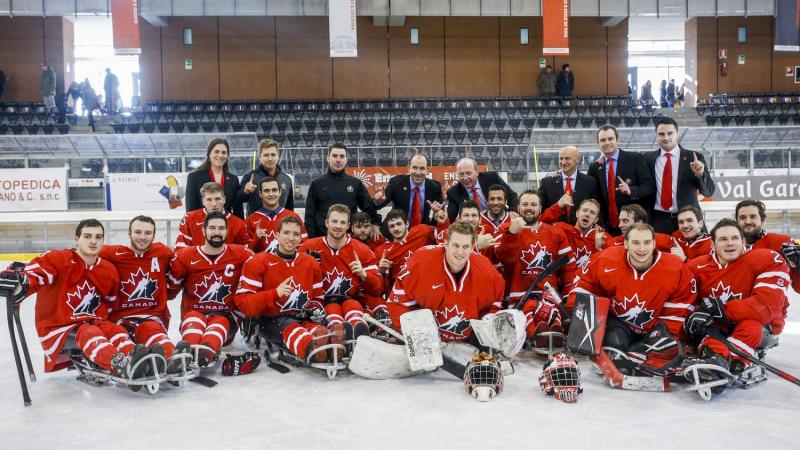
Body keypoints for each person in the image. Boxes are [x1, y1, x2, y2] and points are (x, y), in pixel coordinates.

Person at [0, 219, 150, 380]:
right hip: (60, 325)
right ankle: (119, 364)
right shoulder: (58, 258)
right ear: (77, 239)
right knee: (89, 332)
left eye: (98, 237)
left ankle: (139, 360)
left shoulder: (108, 270)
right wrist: (23, 282)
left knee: (116, 330)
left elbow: (110, 304)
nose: (93, 241)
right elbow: (36, 275)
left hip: (92, 321)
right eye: (87, 236)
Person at [569, 223, 696, 375]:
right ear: (626, 244)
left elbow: (683, 301)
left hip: (655, 327)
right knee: (616, 341)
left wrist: (667, 333)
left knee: (663, 347)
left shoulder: (675, 267)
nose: (642, 249)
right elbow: (585, 282)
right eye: (636, 243)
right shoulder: (607, 258)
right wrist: (579, 313)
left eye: (647, 242)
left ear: (654, 243)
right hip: (619, 323)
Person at [685, 219, 790, 389]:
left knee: (751, 326)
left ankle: (729, 362)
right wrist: (696, 313)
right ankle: (715, 359)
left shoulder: (766, 259)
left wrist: (723, 311)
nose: (730, 243)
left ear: (743, 241)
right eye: (723, 239)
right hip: (718, 326)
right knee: (708, 328)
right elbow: (685, 301)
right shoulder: (696, 266)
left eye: (734, 238)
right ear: (712, 244)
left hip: (761, 327)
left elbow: (766, 308)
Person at [235, 216, 339, 364]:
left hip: (303, 317)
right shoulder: (257, 262)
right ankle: (313, 350)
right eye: (286, 233)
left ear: (300, 238)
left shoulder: (310, 263)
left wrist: (315, 307)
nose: (291, 238)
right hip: (271, 320)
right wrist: (274, 293)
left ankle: (331, 346)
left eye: (296, 234)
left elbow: (317, 297)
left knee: (319, 331)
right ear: (277, 235)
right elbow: (245, 304)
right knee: (295, 331)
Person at [99, 216, 191, 374]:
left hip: (153, 315)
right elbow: (83, 252)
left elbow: (186, 258)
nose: (142, 237)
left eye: (148, 233)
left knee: (153, 330)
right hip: (122, 318)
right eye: (138, 232)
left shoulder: (162, 252)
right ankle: (136, 362)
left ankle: (173, 358)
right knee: (129, 335)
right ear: (129, 234)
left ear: (154, 236)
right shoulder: (113, 253)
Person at [386, 221, 505, 343]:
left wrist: (486, 322)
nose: (460, 252)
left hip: (466, 342)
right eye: (455, 245)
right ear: (446, 244)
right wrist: (414, 333)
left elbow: (495, 300)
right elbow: (398, 302)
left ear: (472, 246)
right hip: (425, 339)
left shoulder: (486, 270)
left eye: (465, 247)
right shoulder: (421, 262)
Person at [167, 212, 253, 366]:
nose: (217, 232)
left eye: (221, 228)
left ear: (227, 231)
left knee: (217, 327)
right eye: (212, 228)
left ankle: (203, 354)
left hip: (225, 315)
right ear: (203, 231)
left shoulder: (241, 254)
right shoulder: (186, 255)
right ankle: (184, 357)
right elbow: (170, 290)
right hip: (194, 313)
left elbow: (261, 270)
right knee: (194, 323)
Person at [300, 204, 384, 341]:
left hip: (353, 301)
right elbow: (296, 278)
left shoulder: (362, 250)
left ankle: (357, 330)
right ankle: (337, 330)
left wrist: (364, 275)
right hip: (322, 305)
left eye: (342, 222)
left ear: (348, 226)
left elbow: (378, 288)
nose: (338, 226)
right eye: (334, 221)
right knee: (333, 313)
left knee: (352, 307)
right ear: (326, 222)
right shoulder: (309, 247)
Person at [496, 191, 577, 332]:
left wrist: (568, 298)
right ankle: (536, 335)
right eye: (525, 204)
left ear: (540, 208)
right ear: (518, 208)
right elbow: (505, 261)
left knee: (553, 317)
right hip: (518, 298)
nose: (529, 208)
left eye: (533, 204)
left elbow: (568, 269)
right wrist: (511, 234)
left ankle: (552, 333)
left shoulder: (556, 233)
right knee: (528, 319)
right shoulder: (506, 230)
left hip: (549, 295)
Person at [643, 117, 715, 234]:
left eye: (670, 133)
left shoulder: (694, 157)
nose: (666, 138)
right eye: (661, 134)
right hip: (658, 221)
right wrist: (603, 158)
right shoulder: (647, 158)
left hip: (688, 220)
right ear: (656, 136)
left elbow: (709, 192)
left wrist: (700, 174)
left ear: (677, 133)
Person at [587, 124, 655, 234]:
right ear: (598, 143)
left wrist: (631, 191)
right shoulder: (595, 167)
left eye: (610, 138)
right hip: (607, 226)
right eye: (603, 140)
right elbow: (593, 196)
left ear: (617, 140)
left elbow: (650, 187)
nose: (607, 142)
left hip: (632, 225)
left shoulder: (635, 158)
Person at [305, 143, 381, 238]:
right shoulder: (317, 184)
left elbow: (368, 206)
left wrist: (375, 223)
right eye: (334, 156)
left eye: (342, 156)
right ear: (328, 158)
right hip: (323, 237)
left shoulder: (355, 183)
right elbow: (309, 215)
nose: (338, 160)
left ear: (346, 159)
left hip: (349, 237)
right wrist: (312, 239)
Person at [735, 199, 800, 293]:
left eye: (753, 217)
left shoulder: (781, 242)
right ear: (737, 222)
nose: (747, 221)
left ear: (763, 220)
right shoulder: (729, 246)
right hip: (737, 305)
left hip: (772, 305)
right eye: (742, 217)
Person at [374, 153, 444, 227]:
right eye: (415, 168)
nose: (418, 172)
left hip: (421, 230)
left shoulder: (435, 186)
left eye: (422, 168)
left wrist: (436, 214)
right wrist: (377, 202)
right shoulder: (396, 183)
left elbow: (440, 214)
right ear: (409, 168)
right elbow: (378, 205)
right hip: (394, 229)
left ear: (427, 170)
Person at [176, 182, 249, 249]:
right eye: (209, 200)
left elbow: (244, 254)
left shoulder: (239, 224)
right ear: (203, 201)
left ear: (224, 200)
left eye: (217, 199)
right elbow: (180, 250)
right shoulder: (189, 219)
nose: (214, 204)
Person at [538, 145, 599, 225]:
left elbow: (596, 209)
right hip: (554, 233)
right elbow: (539, 211)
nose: (563, 162)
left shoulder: (590, 182)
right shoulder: (547, 182)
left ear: (577, 159)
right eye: (561, 158)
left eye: (567, 158)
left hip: (580, 234)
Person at [538, 198, 604, 271]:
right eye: (585, 210)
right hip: (564, 278)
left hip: (587, 280)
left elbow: (607, 265)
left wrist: (599, 249)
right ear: (577, 213)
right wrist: (558, 207)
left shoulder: (603, 237)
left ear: (596, 220)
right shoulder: (562, 228)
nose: (587, 214)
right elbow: (537, 224)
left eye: (592, 213)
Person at [185, 138, 243, 218]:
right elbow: (191, 210)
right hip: (202, 226)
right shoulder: (194, 177)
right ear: (209, 154)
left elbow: (238, 209)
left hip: (227, 227)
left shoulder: (233, 179)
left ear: (227, 156)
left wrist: (241, 228)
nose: (220, 155)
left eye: (224, 152)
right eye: (216, 152)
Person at [446, 157, 518, 221]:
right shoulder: (453, 192)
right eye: (461, 174)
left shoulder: (492, 178)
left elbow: (512, 196)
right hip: (472, 224)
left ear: (476, 172)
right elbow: (451, 217)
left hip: (497, 219)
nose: (465, 178)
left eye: (468, 173)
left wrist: (512, 212)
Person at [245, 177, 305, 253]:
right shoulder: (251, 220)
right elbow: (246, 253)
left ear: (280, 192)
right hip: (262, 264)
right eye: (266, 191)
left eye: (274, 190)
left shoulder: (294, 217)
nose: (271, 194)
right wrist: (256, 239)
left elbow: (304, 246)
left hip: (288, 264)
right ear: (260, 194)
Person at [238, 139, 294, 217]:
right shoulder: (250, 177)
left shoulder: (286, 179)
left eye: (273, 155)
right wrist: (245, 192)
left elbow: (289, 208)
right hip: (257, 227)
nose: (270, 159)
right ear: (260, 157)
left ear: (278, 156)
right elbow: (238, 200)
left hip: (280, 227)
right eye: (266, 155)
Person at [594, 204, 676, 253]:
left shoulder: (664, 241)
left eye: (625, 221)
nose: (619, 225)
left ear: (639, 223)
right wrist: (599, 248)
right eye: (620, 221)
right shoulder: (611, 243)